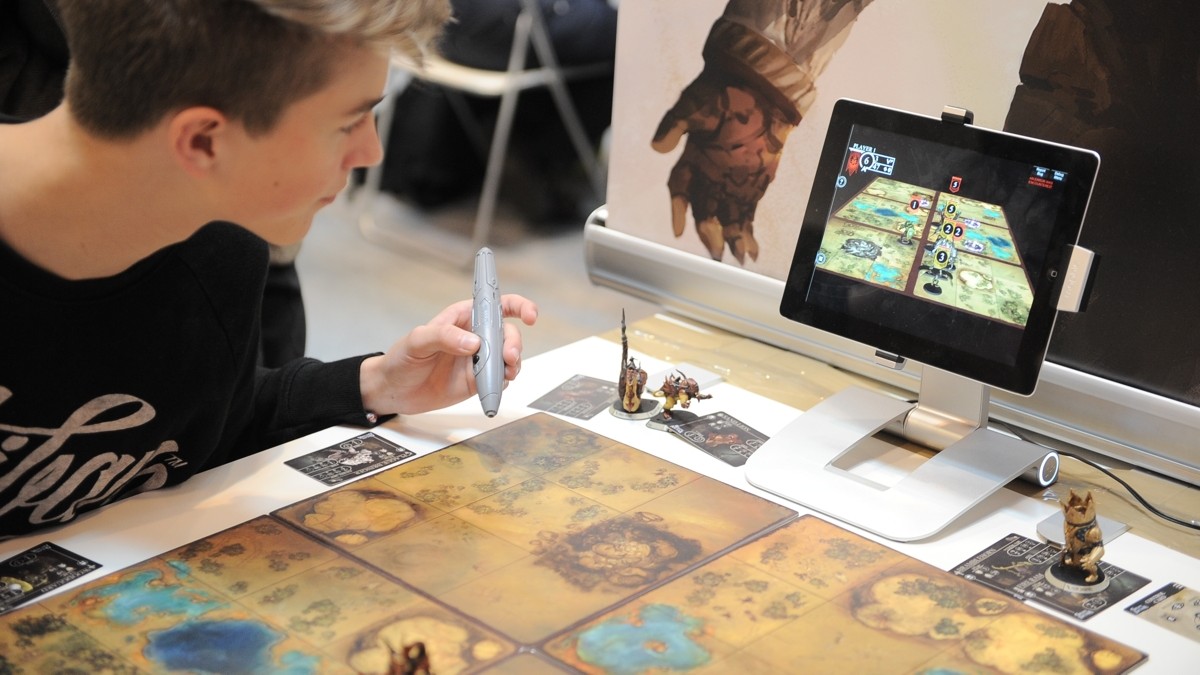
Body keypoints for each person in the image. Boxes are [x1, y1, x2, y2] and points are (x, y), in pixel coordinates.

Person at [0, 0, 539, 539]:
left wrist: (376, 384)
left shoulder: (222, 248)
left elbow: (209, 426)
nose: (371, 153)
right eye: (348, 122)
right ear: (203, 140)